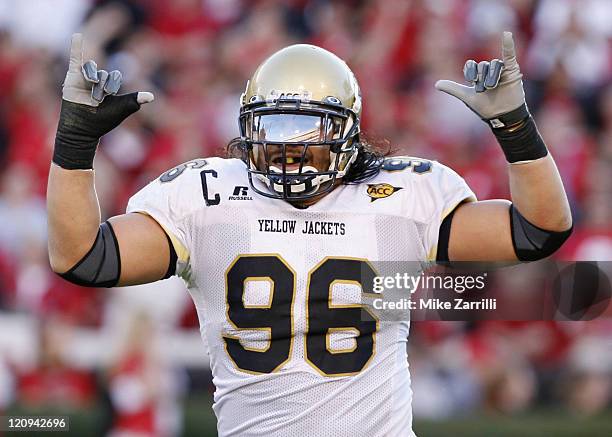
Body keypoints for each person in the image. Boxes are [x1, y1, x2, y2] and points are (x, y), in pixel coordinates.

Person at [47, 32, 572, 436]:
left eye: (308, 136)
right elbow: (83, 257)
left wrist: (515, 127)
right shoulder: (207, 196)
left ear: (348, 134)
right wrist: (74, 142)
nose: (289, 152)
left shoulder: (401, 194)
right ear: (247, 132)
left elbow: (537, 232)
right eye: (272, 132)